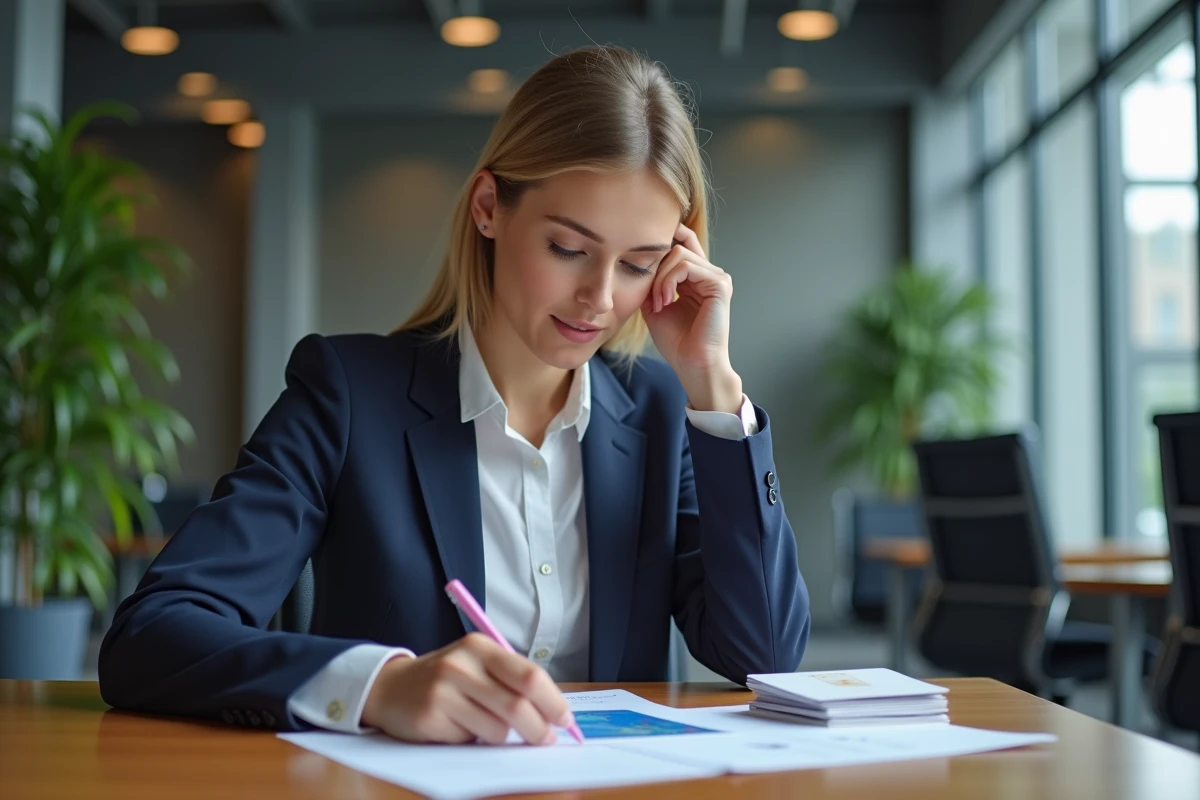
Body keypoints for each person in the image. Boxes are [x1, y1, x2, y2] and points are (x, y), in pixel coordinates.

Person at [99, 44, 810, 747]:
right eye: (568, 248)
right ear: (488, 207)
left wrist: (713, 386)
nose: (600, 298)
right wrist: (378, 686)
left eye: (639, 264)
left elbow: (766, 656)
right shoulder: (347, 396)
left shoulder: (661, 410)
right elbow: (152, 633)